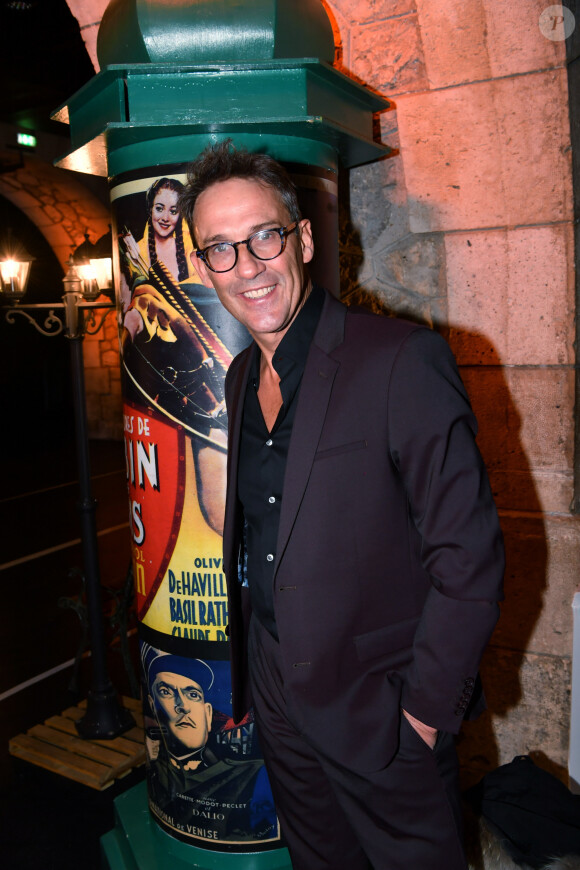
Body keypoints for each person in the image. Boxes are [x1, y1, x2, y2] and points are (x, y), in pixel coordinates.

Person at [179, 141, 505, 870]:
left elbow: (470, 560)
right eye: (222, 249)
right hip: (277, 693)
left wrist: (422, 714)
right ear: (205, 268)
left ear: (302, 238)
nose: (248, 267)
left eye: (263, 236)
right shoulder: (238, 379)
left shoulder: (398, 360)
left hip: (380, 710)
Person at [143, 646, 277, 844]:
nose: (183, 705)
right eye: (166, 692)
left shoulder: (251, 772)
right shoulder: (155, 772)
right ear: (153, 706)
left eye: (193, 695)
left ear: (207, 713)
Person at [123, 177, 195, 285]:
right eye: (159, 209)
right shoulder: (136, 253)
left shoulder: (190, 250)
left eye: (173, 211)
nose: (165, 218)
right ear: (150, 209)